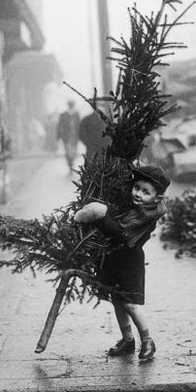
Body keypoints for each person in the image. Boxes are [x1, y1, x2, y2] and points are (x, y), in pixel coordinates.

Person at [74, 164, 170, 362]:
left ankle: (148, 341)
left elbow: (122, 235)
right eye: (136, 188)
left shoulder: (147, 215)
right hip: (115, 259)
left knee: (130, 303)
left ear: (156, 198)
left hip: (129, 262)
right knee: (117, 300)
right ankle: (128, 340)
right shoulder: (133, 207)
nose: (138, 194)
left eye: (146, 192)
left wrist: (100, 216)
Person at [56, 100, 80, 172]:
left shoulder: (77, 115)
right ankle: (70, 164)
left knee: (74, 151)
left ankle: (71, 162)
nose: (71, 106)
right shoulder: (63, 115)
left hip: (74, 136)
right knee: (67, 151)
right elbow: (59, 126)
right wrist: (59, 136)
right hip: (66, 137)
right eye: (70, 105)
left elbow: (79, 125)